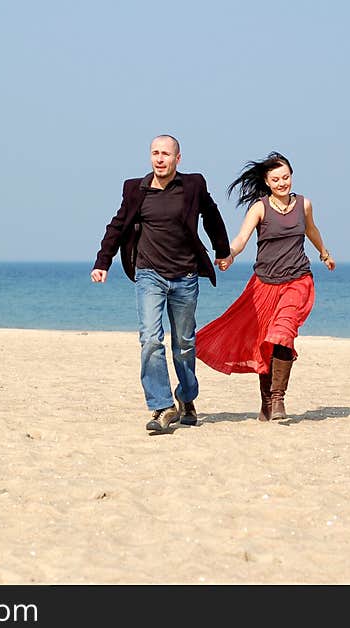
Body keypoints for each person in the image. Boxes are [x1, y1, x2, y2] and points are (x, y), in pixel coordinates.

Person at [91, 135, 231, 432]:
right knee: (151, 340)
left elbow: (212, 215)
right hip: (149, 274)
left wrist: (221, 250)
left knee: (184, 344)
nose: (159, 158)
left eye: (166, 154)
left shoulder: (192, 185)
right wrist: (103, 261)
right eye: (155, 153)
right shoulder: (135, 189)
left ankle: (186, 398)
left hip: (185, 275)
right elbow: (117, 225)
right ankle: (162, 406)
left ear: (177, 158)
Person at [196, 151, 335, 421]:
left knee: (283, 333)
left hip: (297, 279)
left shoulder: (304, 204)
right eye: (276, 179)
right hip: (264, 284)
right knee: (264, 344)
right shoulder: (260, 208)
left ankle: (278, 398)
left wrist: (324, 253)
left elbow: (312, 230)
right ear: (267, 182)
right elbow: (241, 239)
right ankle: (266, 402)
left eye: (286, 177)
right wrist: (229, 255)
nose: (282, 183)